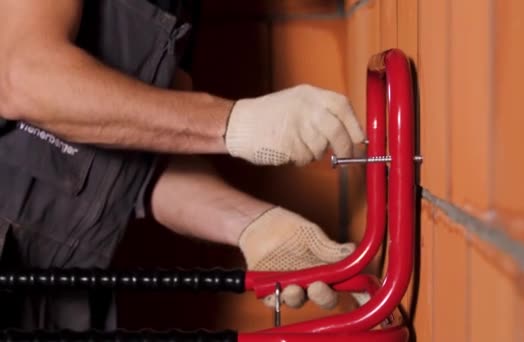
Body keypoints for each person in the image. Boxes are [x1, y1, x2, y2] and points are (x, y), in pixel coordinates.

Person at [0, 0, 366, 332]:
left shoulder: (183, 8)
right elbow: (24, 76)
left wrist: (257, 226)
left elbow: (149, 164)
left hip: (66, 293)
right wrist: (234, 122)